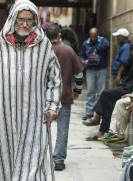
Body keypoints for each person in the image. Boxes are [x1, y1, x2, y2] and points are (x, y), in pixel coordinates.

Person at [0, 0, 61, 180]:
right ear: (12, 18)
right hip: (2, 117)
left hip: (33, 118)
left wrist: (52, 106)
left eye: (29, 20)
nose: (25, 24)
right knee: (1, 165)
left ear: (35, 21)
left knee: (31, 167)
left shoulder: (44, 45)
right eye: (20, 19)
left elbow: (55, 77)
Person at [44, 23, 84, 171]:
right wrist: (77, 90)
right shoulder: (68, 51)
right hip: (64, 97)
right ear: (59, 35)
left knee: (42, 127)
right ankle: (59, 160)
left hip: (44, 98)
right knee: (62, 129)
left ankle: (39, 155)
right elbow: (79, 74)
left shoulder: (41, 51)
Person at [83, 42, 133, 141]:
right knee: (108, 103)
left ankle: (97, 118)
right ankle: (102, 130)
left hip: (130, 89)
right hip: (127, 87)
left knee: (106, 94)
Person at [79, 27, 110, 121]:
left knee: (101, 92)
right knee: (90, 91)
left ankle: (98, 113)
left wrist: (95, 50)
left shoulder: (103, 41)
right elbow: (81, 54)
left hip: (101, 69)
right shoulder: (85, 43)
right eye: (91, 37)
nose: (93, 39)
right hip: (90, 70)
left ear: (98, 34)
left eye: (94, 37)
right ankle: (89, 113)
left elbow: (106, 46)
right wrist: (83, 61)